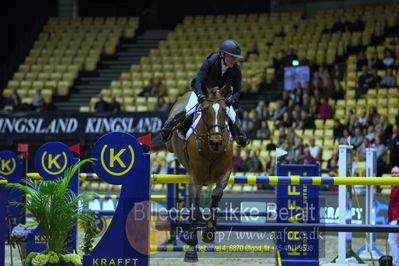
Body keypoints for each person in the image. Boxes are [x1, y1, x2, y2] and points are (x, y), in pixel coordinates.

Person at [160, 40, 249, 147]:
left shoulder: (236, 68)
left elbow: (238, 90)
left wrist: (233, 99)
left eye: (235, 57)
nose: (234, 60)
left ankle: (241, 136)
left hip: (221, 95)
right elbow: (199, 80)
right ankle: (169, 125)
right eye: (231, 57)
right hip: (203, 90)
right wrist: (200, 95)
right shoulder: (211, 62)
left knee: (232, 115)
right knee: (189, 109)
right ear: (222, 54)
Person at [388, 166, 399, 266]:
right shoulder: (393, 186)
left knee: (392, 240)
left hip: (397, 218)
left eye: (396, 173)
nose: (394, 175)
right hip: (393, 218)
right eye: (393, 173)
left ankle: (396, 263)